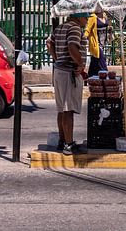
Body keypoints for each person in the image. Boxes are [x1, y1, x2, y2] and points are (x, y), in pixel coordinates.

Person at [46, 12, 90, 156]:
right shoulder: (75, 28)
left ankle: (62, 140)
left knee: (62, 109)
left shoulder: (60, 28)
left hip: (59, 71)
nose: (87, 21)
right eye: (86, 18)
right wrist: (80, 63)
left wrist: (57, 58)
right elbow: (72, 47)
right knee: (68, 110)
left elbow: (49, 43)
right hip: (68, 73)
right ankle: (69, 145)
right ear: (79, 18)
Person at [85, 12, 110, 78]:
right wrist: (83, 38)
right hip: (96, 43)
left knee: (95, 61)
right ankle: (105, 76)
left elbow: (107, 26)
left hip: (103, 42)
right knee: (102, 61)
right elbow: (88, 29)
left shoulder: (104, 15)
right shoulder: (93, 17)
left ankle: (90, 76)